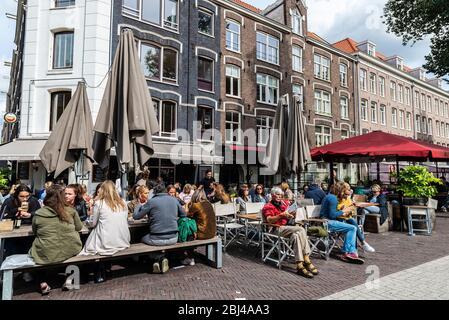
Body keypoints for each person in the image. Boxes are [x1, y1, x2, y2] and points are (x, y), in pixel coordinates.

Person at [29, 184, 83, 295]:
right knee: (70, 248)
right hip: (71, 248)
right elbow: (79, 227)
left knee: (37, 251)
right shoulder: (71, 211)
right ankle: (69, 279)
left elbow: (35, 232)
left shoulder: (39, 214)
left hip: (48, 252)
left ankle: (42, 282)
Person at [79, 180, 130, 282]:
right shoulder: (123, 202)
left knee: (92, 238)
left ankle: (97, 270)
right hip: (123, 240)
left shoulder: (99, 203)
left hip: (106, 242)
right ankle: (106, 267)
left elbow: (93, 224)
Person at [262, 187, 318, 278]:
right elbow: (269, 220)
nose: (280, 197)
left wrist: (292, 214)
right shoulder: (268, 206)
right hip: (276, 229)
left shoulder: (283, 204)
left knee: (297, 235)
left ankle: (299, 265)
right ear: (272, 195)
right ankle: (307, 259)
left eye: (281, 195)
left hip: (286, 228)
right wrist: (281, 215)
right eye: (277, 195)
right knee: (301, 229)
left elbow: (289, 216)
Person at [133, 183, 186, 273]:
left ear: (154, 193)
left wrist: (139, 204)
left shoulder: (152, 202)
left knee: (140, 237)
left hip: (156, 239)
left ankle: (156, 258)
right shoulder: (174, 200)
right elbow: (183, 214)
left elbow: (136, 216)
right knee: (157, 238)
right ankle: (161, 258)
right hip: (173, 237)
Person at [320, 182, 364, 264]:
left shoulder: (330, 196)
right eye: (345, 191)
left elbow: (333, 213)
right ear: (340, 190)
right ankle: (348, 252)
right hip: (327, 223)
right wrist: (343, 211)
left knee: (351, 227)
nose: (346, 193)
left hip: (328, 221)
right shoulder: (332, 198)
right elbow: (332, 215)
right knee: (352, 228)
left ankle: (350, 252)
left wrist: (342, 212)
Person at [338, 184, 375, 253]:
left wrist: (352, 207)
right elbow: (337, 212)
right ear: (342, 192)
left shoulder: (348, 199)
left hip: (347, 218)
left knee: (353, 222)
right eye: (346, 194)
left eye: (348, 194)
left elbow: (350, 210)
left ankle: (359, 245)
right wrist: (343, 209)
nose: (347, 196)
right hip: (339, 219)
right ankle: (361, 244)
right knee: (353, 226)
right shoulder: (337, 199)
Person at [183, 187, 216, 265]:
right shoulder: (208, 203)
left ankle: (190, 258)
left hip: (203, 233)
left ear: (194, 196)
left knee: (188, 232)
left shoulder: (196, 205)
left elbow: (187, 215)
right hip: (212, 232)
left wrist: (187, 205)